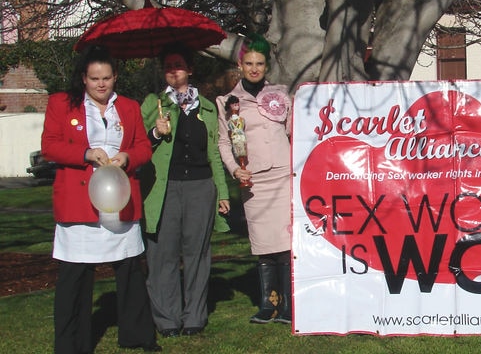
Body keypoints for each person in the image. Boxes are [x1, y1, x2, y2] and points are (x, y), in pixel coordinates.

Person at [41, 45, 160, 353]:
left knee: (131, 272)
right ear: (84, 78)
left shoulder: (130, 107)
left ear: (115, 77)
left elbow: (144, 148)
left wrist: (126, 157)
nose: (101, 84)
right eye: (95, 79)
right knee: (75, 278)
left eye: (107, 78)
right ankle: (71, 344)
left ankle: (138, 335)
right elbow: (50, 146)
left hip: (120, 200)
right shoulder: (60, 104)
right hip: (79, 204)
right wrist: (86, 153)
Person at [140, 43, 231, 337]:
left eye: (178, 64)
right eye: (167, 65)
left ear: (190, 70)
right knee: (162, 254)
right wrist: (156, 132)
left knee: (197, 253)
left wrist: (223, 192)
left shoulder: (206, 107)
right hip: (164, 189)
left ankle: (194, 315)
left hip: (200, 189)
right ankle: (167, 319)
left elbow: (215, 153)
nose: (172, 70)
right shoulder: (153, 104)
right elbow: (137, 147)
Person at [216, 34, 293, 324]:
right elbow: (224, 143)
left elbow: (293, 132)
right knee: (263, 244)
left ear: (266, 65)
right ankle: (267, 303)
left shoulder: (282, 94)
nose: (254, 69)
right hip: (255, 181)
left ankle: (286, 305)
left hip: (284, 175)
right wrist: (235, 169)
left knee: (286, 243)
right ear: (240, 64)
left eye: (260, 63)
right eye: (249, 63)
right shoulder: (228, 101)